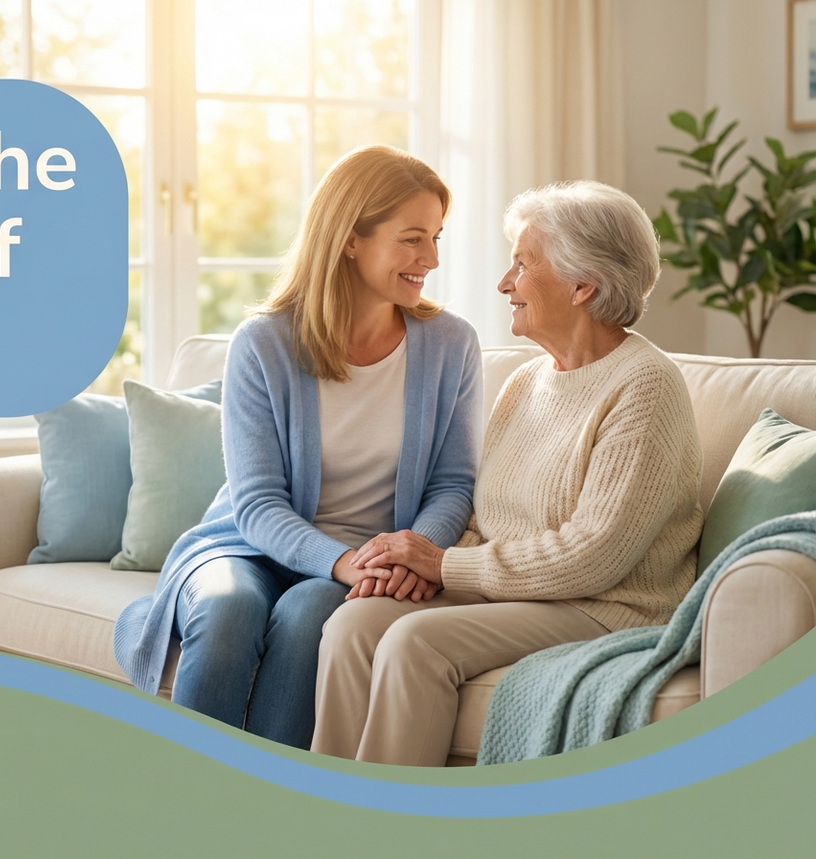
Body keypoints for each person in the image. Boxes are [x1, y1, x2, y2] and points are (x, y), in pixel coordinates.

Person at [311, 180, 705, 766]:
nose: (503, 284)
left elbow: (596, 552)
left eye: (522, 265)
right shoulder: (527, 382)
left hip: (605, 605)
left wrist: (444, 564)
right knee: (355, 623)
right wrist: (423, 573)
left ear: (583, 285)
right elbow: (484, 517)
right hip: (514, 593)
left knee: (416, 642)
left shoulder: (644, 384)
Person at [113, 145, 483, 750]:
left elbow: (452, 484)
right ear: (350, 238)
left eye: (437, 238)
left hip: (367, 564)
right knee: (228, 611)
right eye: (413, 239)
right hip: (248, 545)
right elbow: (257, 504)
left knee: (310, 616)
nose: (432, 259)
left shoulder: (450, 345)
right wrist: (342, 561)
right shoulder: (265, 343)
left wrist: (412, 553)